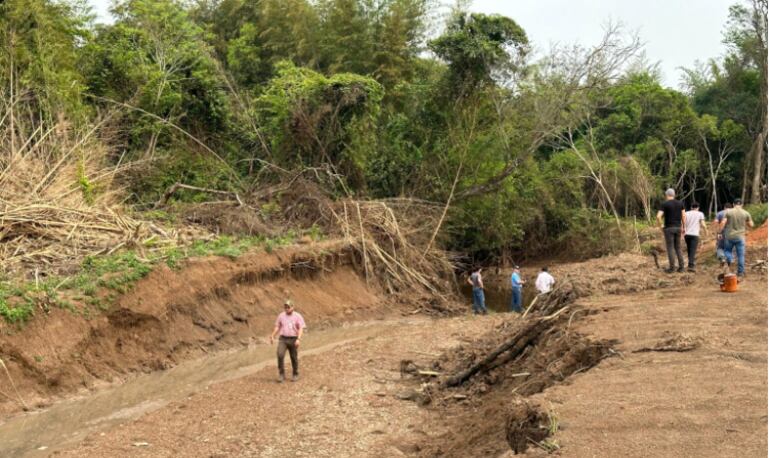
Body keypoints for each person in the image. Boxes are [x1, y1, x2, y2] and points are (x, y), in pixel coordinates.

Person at [270, 299, 306, 383]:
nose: (286, 309)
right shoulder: (281, 316)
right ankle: (281, 374)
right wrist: (272, 335)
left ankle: (295, 374)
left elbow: (301, 328)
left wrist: (298, 339)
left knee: (293, 357)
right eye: (285, 307)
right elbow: (277, 326)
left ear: (292, 307)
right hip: (283, 339)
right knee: (280, 354)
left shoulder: (298, 316)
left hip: (293, 339)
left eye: (288, 307)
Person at [719, 198, 754, 277]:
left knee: (727, 251)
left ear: (733, 204)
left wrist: (719, 232)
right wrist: (746, 222)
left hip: (729, 236)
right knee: (741, 255)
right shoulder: (746, 213)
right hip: (740, 237)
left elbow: (723, 223)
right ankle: (740, 272)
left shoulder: (728, 212)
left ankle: (730, 260)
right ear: (742, 204)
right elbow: (751, 225)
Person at [656, 188, 686, 273]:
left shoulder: (664, 204)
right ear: (674, 195)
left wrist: (661, 225)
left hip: (669, 228)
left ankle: (672, 268)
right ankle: (682, 267)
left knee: (670, 248)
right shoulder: (680, 203)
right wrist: (683, 227)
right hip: (678, 228)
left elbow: (658, 216)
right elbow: (684, 216)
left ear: (666, 195)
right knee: (678, 248)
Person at [683, 202, 707, 272]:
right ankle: (691, 265)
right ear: (698, 208)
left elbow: (683, 223)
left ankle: (690, 263)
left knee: (689, 249)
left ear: (691, 207)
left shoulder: (686, 213)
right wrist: (706, 231)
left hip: (687, 234)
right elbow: (703, 224)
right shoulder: (700, 214)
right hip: (694, 234)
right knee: (693, 250)